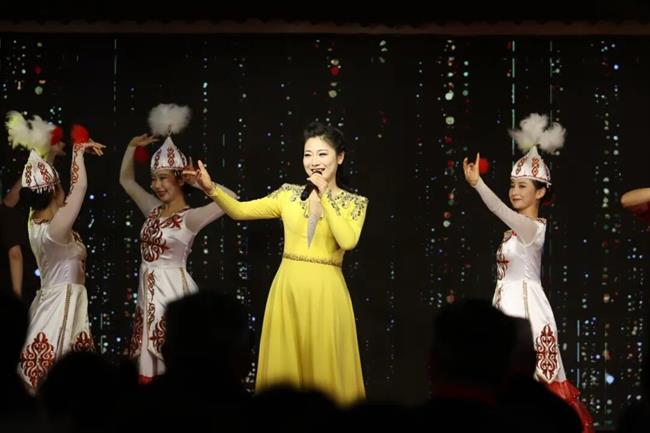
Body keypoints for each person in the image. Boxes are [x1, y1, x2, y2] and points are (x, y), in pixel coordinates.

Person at [195, 121, 368, 405]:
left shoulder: (354, 203)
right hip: (288, 290)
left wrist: (325, 196)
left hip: (327, 294)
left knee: (325, 368)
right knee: (286, 370)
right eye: (308, 154)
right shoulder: (288, 194)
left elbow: (347, 240)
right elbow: (239, 211)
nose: (314, 161)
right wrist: (211, 189)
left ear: (340, 157)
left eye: (322, 154)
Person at [462, 113, 593, 432]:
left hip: (528, 312)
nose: (514, 191)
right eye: (512, 185)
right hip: (505, 308)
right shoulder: (513, 232)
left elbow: (500, 210)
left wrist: (479, 185)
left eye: (522, 186)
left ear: (540, 192)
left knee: (531, 383)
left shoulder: (532, 229)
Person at [120, 103, 235, 383]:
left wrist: (198, 182)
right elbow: (126, 181)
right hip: (147, 295)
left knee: (174, 359)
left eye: (163, 178)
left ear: (178, 179)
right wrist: (131, 147)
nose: (157, 185)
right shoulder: (152, 209)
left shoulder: (190, 218)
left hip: (172, 294)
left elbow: (231, 199)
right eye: (153, 179)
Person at [6, 111, 104, 390]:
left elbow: (42, 186)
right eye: (60, 187)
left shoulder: (34, 221)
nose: (65, 192)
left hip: (49, 303)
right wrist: (78, 150)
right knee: (56, 379)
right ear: (54, 192)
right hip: (63, 308)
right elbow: (80, 187)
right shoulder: (56, 229)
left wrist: (47, 154)